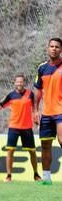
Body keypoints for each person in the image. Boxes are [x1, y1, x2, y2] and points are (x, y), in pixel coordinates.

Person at [0, 74, 40, 182]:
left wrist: (36, 118)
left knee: (32, 152)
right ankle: (9, 176)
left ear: (24, 83)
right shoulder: (10, 95)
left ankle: (36, 174)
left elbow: (34, 108)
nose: (19, 83)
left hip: (27, 128)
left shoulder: (30, 94)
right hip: (14, 127)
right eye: (17, 82)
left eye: (21, 82)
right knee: (10, 151)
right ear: (14, 83)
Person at [33, 37, 62, 186]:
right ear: (47, 48)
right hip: (47, 112)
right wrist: (35, 111)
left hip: (61, 112)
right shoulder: (42, 68)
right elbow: (37, 92)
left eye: (57, 47)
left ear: (61, 50)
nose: (54, 49)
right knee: (45, 145)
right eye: (51, 46)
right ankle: (46, 177)